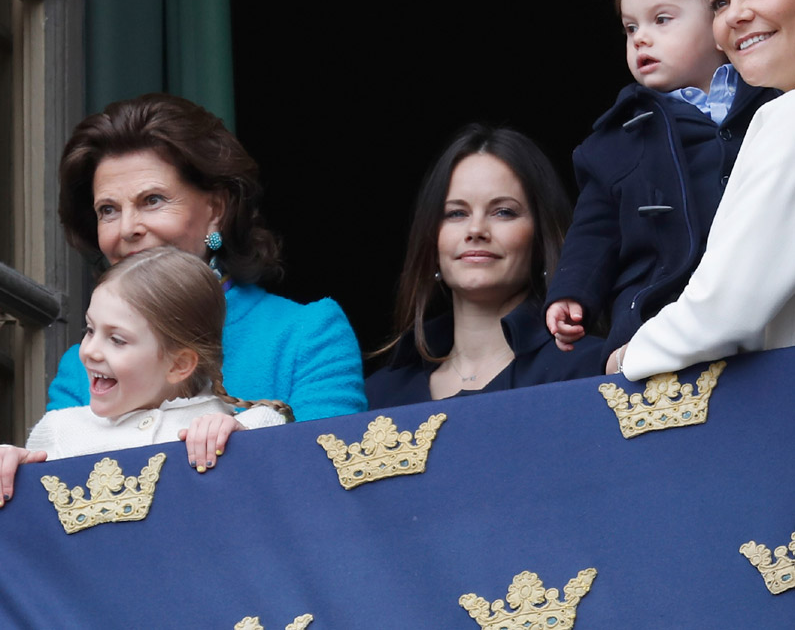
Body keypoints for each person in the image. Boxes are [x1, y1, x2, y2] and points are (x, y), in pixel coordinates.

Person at [48, 93, 366, 421]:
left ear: (216, 209)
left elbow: (323, 465)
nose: (127, 228)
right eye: (108, 210)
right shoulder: (82, 368)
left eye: (153, 200)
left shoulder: (306, 336)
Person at [545, 0, 779, 364]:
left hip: (764, 312)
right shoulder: (617, 137)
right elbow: (594, 229)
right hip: (658, 311)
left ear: (718, 20)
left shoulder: (773, 96)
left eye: (662, 19)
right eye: (631, 28)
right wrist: (572, 291)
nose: (641, 40)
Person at [607, 0, 795, 379]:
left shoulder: (786, 117)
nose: (736, 14)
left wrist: (632, 355)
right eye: (719, 2)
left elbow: (731, 304)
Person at [0, 247, 292, 506]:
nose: (90, 351)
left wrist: (233, 433)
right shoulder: (59, 429)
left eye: (117, 339)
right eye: (90, 330)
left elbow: (275, 429)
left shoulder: (213, 421)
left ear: (178, 365)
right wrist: (16, 470)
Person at [365, 124, 603, 410]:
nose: (476, 229)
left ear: (541, 241)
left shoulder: (590, 370)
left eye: (503, 212)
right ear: (431, 240)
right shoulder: (378, 397)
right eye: (456, 213)